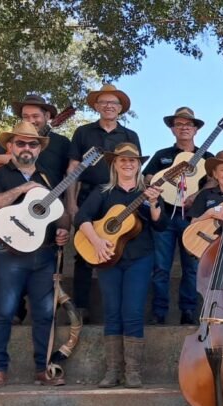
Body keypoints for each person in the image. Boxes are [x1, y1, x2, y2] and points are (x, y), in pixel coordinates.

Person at [0, 122, 69, 388]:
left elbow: (61, 212)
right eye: (21, 143)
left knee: (45, 314)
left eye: (33, 144)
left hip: (44, 254)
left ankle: (43, 369)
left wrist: (63, 229)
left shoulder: (48, 178)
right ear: (10, 147)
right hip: (8, 254)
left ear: (39, 149)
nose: (27, 148)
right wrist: (21, 190)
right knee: (3, 313)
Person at [74, 143, 167, 389]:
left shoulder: (147, 192)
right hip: (107, 257)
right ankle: (113, 371)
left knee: (133, 312)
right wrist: (96, 241)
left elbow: (161, 225)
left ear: (139, 165)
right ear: (114, 164)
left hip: (140, 258)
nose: (128, 164)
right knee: (112, 312)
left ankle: (133, 372)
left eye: (132, 160)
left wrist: (154, 203)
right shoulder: (103, 191)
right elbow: (81, 217)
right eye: (122, 160)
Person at [0, 94, 72, 325]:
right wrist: (14, 156)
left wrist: (68, 209)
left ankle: (46, 314)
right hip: (16, 212)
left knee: (49, 263)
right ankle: (15, 312)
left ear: (48, 116)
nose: (31, 120)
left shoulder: (62, 143)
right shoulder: (16, 141)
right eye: (26, 116)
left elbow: (70, 173)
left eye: (35, 116)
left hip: (48, 209)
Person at [65, 84, 140, 323]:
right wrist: (71, 203)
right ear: (97, 106)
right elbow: (73, 169)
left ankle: (120, 310)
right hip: (88, 195)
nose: (109, 106)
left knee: (121, 246)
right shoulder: (83, 132)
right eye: (104, 102)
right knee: (83, 250)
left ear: (120, 108)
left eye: (113, 103)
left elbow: (136, 168)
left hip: (119, 197)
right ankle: (81, 307)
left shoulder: (130, 136)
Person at [142, 107, 213, 325]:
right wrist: (159, 182)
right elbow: (147, 177)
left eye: (189, 124)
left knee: (191, 268)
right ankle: (159, 312)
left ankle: (188, 311)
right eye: (179, 124)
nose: (184, 128)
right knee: (161, 267)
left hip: (192, 218)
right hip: (164, 216)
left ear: (196, 130)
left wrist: (196, 195)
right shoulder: (162, 155)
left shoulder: (207, 157)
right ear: (172, 129)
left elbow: (214, 181)